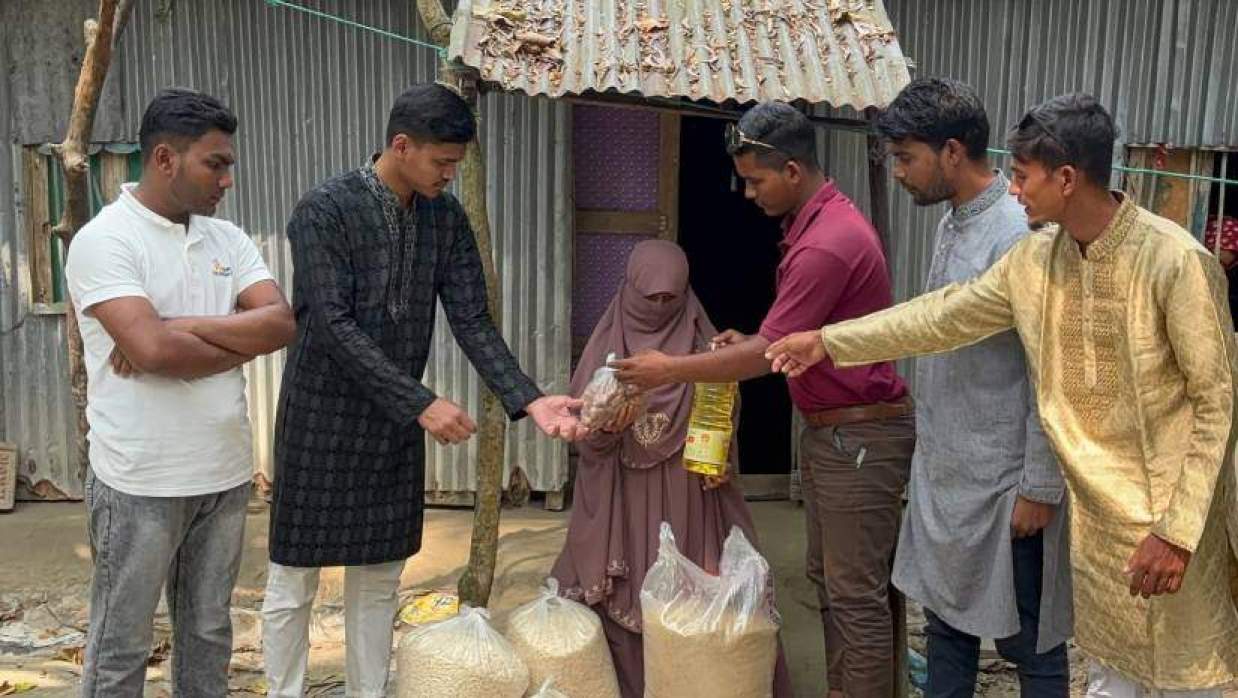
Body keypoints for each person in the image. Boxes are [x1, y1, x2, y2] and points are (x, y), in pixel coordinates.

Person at [768, 93, 1238, 697]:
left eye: (1021, 176)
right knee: (1109, 676)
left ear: (1066, 179)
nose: (1013, 191)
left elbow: (1217, 404)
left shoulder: (1177, 262)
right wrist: (829, 340)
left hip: (1171, 530)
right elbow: (942, 316)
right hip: (1098, 530)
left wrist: (1175, 532)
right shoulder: (1037, 260)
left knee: (1185, 680)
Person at [261, 82, 587, 698]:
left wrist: (529, 397)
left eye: (456, 165)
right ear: (401, 145)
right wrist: (422, 402)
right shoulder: (323, 210)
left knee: (380, 575)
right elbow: (329, 324)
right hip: (320, 419)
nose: (449, 176)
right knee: (294, 578)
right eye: (442, 163)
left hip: (392, 426)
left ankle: (367, 692)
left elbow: (471, 319)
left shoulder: (445, 218)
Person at [613, 102, 914, 697]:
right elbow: (783, 338)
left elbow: (767, 356)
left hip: (859, 437)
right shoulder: (815, 227)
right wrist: (751, 340)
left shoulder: (825, 244)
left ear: (794, 170)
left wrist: (669, 368)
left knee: (855, 595)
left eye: (756, 180)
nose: (748, 194)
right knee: (833, 582)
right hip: (838, 432)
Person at [65, 88, 296, 696]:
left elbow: (280, 324)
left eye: (228, 165)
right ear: (165, 159)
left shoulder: (229, 240)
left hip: (222, 475)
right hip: (139, 481)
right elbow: (153, 354)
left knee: (208, 636)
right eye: (214, 164)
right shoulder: (106, 240)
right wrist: (187, 343)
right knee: (121, 644)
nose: (227, 180)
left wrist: (176, 326)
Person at [875, 77, 1073, 697]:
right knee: (946, 631)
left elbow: (1052, 366)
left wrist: (1039, 485)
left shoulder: (1020, 231)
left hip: (1004, 486)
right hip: (948, 477)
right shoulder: (955, 220)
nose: (900, 173)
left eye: (907, 158)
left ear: (952, 152)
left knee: (1031, 645)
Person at [552, 239, 792, 698]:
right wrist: (605, 426)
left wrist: (723, 460)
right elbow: (584, 433)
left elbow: (725, 413)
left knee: (696, 603)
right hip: (625, 494)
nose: (661, 308)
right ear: (629, 290)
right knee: (629, 596)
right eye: (651, 298)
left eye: (671, 298)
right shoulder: (607, 346)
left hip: (690, 494)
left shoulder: (704, 343)